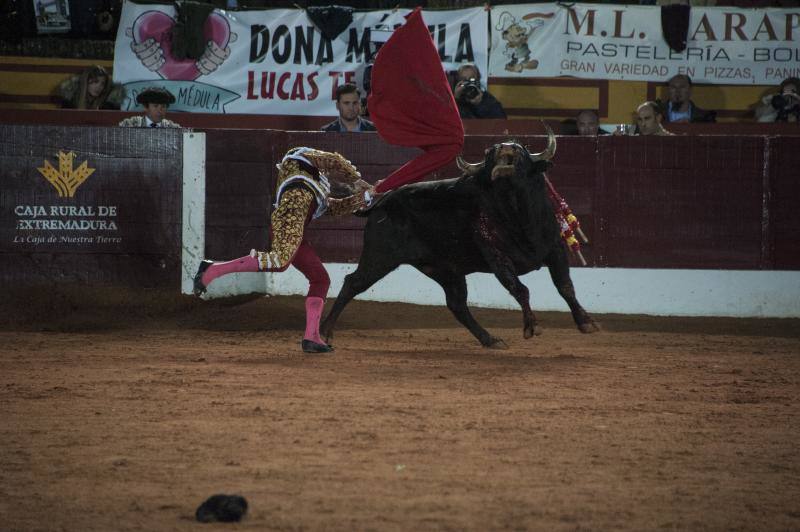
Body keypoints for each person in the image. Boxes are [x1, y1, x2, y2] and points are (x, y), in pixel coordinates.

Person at [193, 147, 375, 354]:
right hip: (292, 209)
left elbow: (337, 208)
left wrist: (369, 194)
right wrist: (357, 180)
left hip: (296, 224)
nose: (341, 182)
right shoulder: (298, 157)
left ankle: (312, 337)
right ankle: (211, 270)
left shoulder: (321, 191)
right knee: (279, 262)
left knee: (320, 279)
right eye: (342, 180)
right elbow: (334, 159)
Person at [56, 65, 125, 110]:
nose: (99, 87)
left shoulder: (108, 106)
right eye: (95, 81)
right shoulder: (70, 103)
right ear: (85, 82)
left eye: (102, 84)